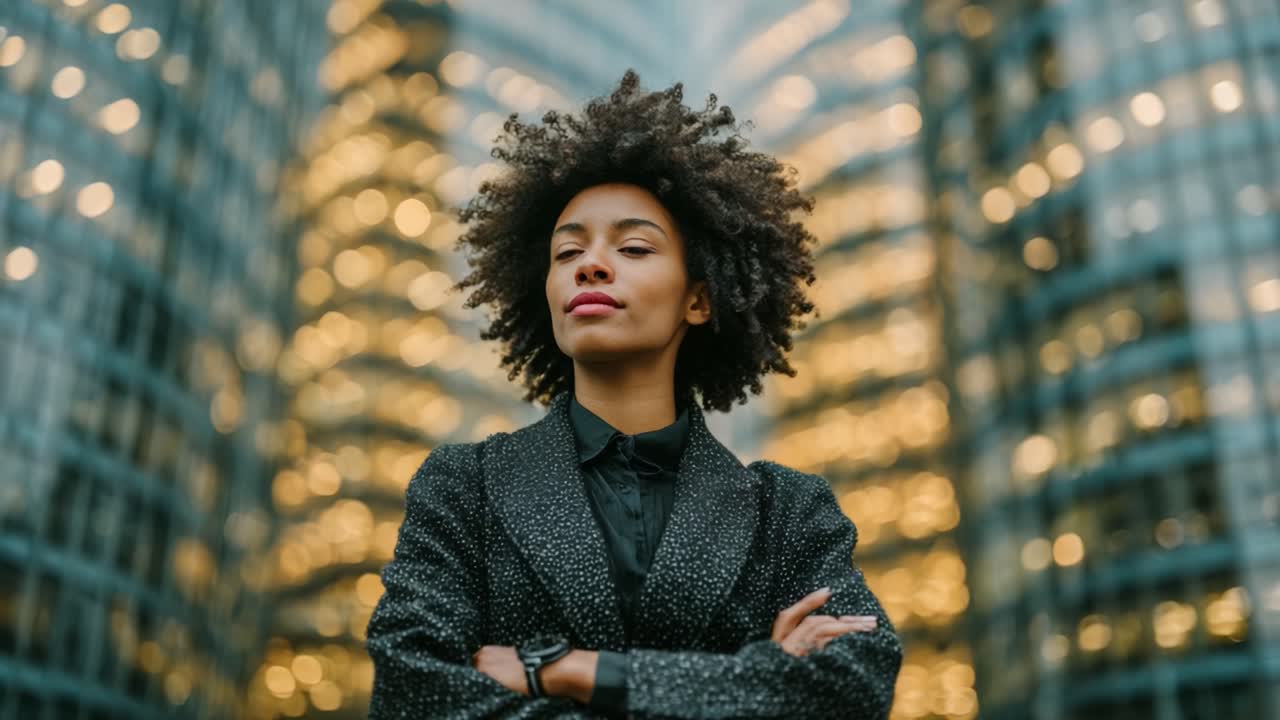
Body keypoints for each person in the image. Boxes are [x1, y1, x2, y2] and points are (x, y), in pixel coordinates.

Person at [365, 69, 903, 719]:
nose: (591, 264)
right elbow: (414, 693)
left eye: (634, 246)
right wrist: (751, 678)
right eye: (568, 254)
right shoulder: (464, 486)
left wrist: (565, 670)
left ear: (699, 299)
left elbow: (851, 689)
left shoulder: (788, 512)